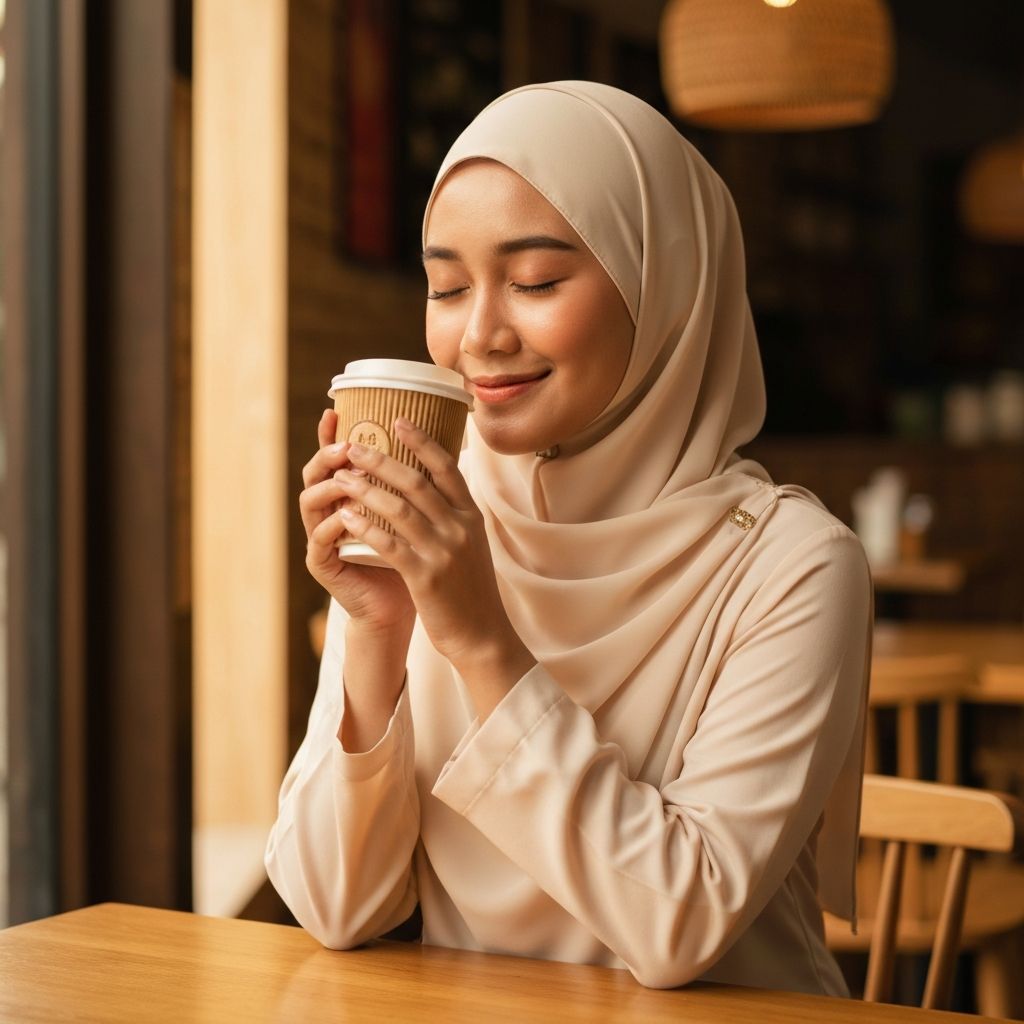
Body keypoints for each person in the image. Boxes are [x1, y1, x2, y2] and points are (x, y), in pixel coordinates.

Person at [265, 80, 872, 994]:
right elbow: (335, 905)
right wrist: (379, 631)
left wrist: (477, 641)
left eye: (537, 282)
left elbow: (678, 923)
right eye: (447, 287)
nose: (478, 336)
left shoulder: (795, 566)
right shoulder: (439, 524)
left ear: (662, 289)